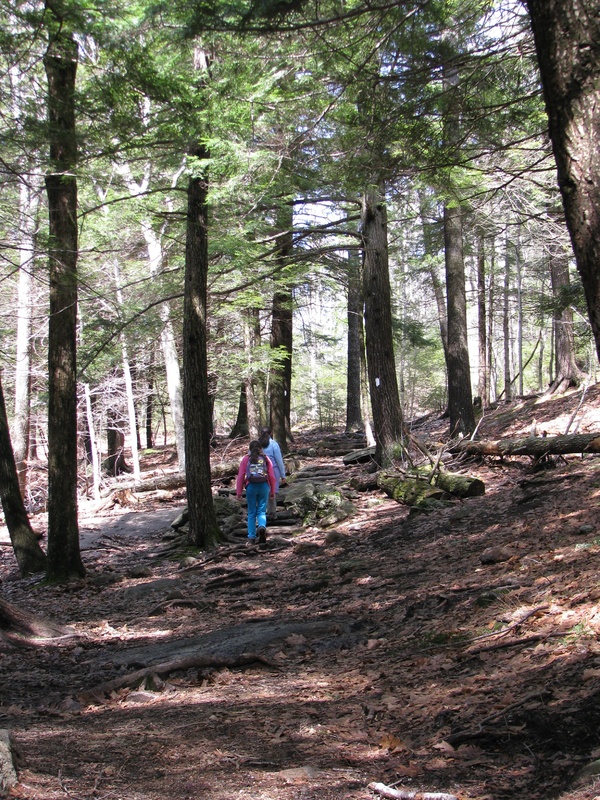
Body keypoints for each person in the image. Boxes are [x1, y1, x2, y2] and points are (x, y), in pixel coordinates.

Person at [236, 439, 276, 546]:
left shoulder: (246, 459)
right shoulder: (266, 459)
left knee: (252, 512)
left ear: (249, 449)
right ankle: (262, 526)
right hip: (264, 486)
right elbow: (272, 476)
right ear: (261, 449)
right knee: (262, 511)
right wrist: (272, 490)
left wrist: (239, 492)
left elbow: (240, 476)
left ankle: (251, 537)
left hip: (251, 486)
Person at [258, 426, 286, 520]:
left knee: (261, 491)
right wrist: (283, 475)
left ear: (260, 433)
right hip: (273, 470)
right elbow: (279, 460)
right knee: (272, 491)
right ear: (271, 433)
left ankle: (261, 514)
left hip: (259, 470)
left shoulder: (256, 444)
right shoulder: (274, 444)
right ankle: (272, 513)